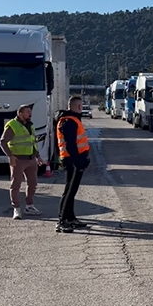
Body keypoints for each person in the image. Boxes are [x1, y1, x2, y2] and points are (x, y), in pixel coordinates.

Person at [0, 104, 44, 220]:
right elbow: (2, 142)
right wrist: (10, 156)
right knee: (16, 185)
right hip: (18, 160)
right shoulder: (13, 125)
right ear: (20, 113)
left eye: (30, 111)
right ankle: (16, 208)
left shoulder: (30, 125)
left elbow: (33, 142)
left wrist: (38, 156)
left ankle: (29, 206)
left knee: (33, 183)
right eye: (28, 112)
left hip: (31, 159)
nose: (30, 114)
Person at [55, 96, 91, 233]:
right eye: (81, 105)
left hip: (74, 159)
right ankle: (62, 221)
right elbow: (71, 145)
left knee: (72, 190)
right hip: (72, 160)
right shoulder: (68, 121)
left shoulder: (71, 119)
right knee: (70, 191)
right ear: (78, 107)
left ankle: (70, 218)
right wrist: (79, 163)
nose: (82, 108)